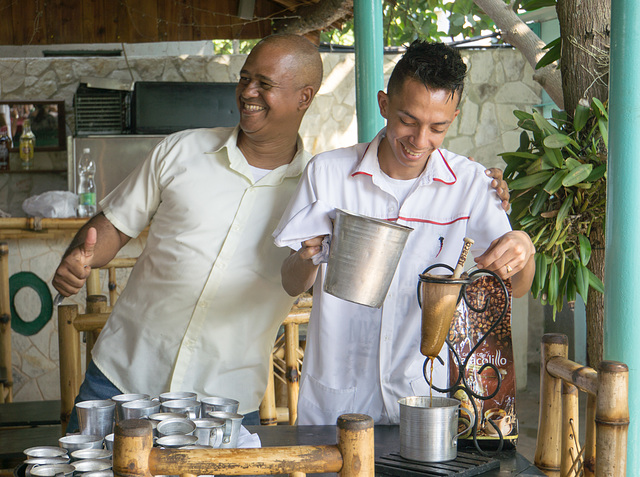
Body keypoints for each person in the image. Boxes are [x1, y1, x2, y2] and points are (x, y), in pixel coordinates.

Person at [53, 34, 509, 431]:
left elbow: (303, 274)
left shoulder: (321, 183)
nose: (248, 92)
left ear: (305, 98)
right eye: (245, 78)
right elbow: (112, 225)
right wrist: (83, 256)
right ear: (386, 107)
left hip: (226, 397)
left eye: (265, 84)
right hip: (121, 375)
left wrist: (511, 230)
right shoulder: (183, 151)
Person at [274, 40, 536, 425]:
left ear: (454, 118)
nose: (420, 140)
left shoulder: (471, 185)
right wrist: (307, 257)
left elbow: (515, 286)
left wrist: (524, 249)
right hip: (337, 401)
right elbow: (290, 283)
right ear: (384, 105)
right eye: (408, 120)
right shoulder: (329, 174)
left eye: (438, 127)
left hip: (427, 397)